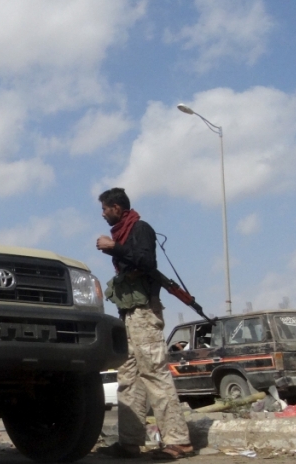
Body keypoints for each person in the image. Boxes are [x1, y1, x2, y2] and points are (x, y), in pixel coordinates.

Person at [94, 188, 193, 461]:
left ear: (117, 208)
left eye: (105, 209)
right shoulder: (123, 232)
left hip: (144, 313)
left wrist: (116, 248)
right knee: (128, 378)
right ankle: (129, 443)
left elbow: (147, 261)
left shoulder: (140, 228)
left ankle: (179, 442)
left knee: (154, 374)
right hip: (128, 313)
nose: (102, 214)